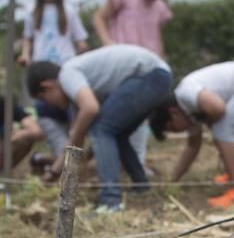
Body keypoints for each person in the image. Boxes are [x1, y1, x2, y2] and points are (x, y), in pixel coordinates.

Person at [26, 45, 172, 212]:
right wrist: (52, 174)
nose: (48, 104)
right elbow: (75, 144)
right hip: (158, 76)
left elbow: (90, 109)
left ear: (47, 86)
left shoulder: (67, 74)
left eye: (43, 98)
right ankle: (141, 186)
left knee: (102, 129)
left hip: (148, 75)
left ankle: (111, 201)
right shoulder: (81, 89)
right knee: (117, 134)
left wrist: (75, 136)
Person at [148, 60, 234, 208]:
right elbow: (192, 147)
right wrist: (173, 181)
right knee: (232, 135)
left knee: (224, 130)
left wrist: (211, 123)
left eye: (172, 128)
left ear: (173, 112)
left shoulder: (185, 93)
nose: (178, 131)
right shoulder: (190, 113)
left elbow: (218, 108)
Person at [92, 0, 172, 174]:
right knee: (117, 117)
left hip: (149, 68)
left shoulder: (159, 7)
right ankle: (117, 162)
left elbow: (157, 35)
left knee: (140, 118)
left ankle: (136, 162)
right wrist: (108, 43)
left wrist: (162, 58)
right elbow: (100, 17)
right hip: (124, 65)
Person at [17, 0, 88, 163]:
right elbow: (28, 38)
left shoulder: (68, 10)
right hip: (41, 72)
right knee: (47, 114)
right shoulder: (32, 12)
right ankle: (61, 158)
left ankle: (68, 159)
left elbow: (79, 39)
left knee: (72, 117)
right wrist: (25, 55)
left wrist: (83, 49)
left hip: (64, 73)